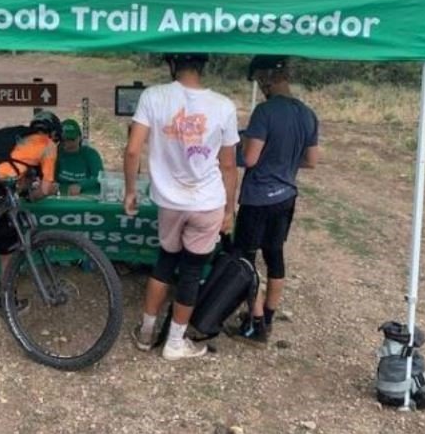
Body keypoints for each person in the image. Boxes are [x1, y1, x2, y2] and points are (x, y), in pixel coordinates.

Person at [124, 53, 239, 361]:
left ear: (172, 65)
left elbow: (133, 149)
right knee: (190, 271)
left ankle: (146, 333)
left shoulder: (153, 96)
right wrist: (229, 210)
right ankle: (175, 342)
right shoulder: (224, 105)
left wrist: (130, 191)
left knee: (164, 263)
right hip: (208, 202)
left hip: (170, 203)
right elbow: (229, 166)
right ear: (203, 66)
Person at [233, 55, 319, 346]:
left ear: (268, 77)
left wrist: (237, 148)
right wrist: (283, 161)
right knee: (274, 255)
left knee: (244, 258)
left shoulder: (265, 112)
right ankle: (269, 316)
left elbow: (250, 157)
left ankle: (254, 324)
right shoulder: (307, 113)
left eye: (259, 80)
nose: (260, 85)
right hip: (286, 195)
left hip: (258, 198)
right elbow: (310, 161)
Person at [0, 110, 62, 311]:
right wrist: (39, 193)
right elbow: (44, 189)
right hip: (0, 196)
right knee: (7, 255)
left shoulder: (13, 136)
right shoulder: (47, 145)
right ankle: (10, 303)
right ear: (54, 134)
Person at [55, 118, 104, 196]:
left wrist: (81, 185)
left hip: (86, 196)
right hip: (61, 196)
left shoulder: (90, 154)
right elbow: (50, 178)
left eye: (71, 139)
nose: (67, 141)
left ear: (79, 138)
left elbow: (99, 176)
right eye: (64, 139)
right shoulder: (56, 153)